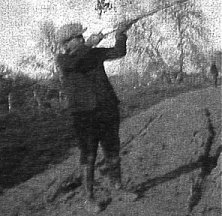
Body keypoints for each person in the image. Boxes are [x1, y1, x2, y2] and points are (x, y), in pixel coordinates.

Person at [55, 22, 133, 213]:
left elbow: (118, 52)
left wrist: (121, 34)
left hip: (107, 109)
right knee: (89, 156)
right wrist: (89, 44)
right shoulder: (63, 60)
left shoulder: (92, 53)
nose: (82, 39)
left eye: (82, 37)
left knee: (113, 150)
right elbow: (75, 62)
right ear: (66, 44)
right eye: (78, 38)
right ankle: (89, 199)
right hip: (84, 115)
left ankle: (118, 187)